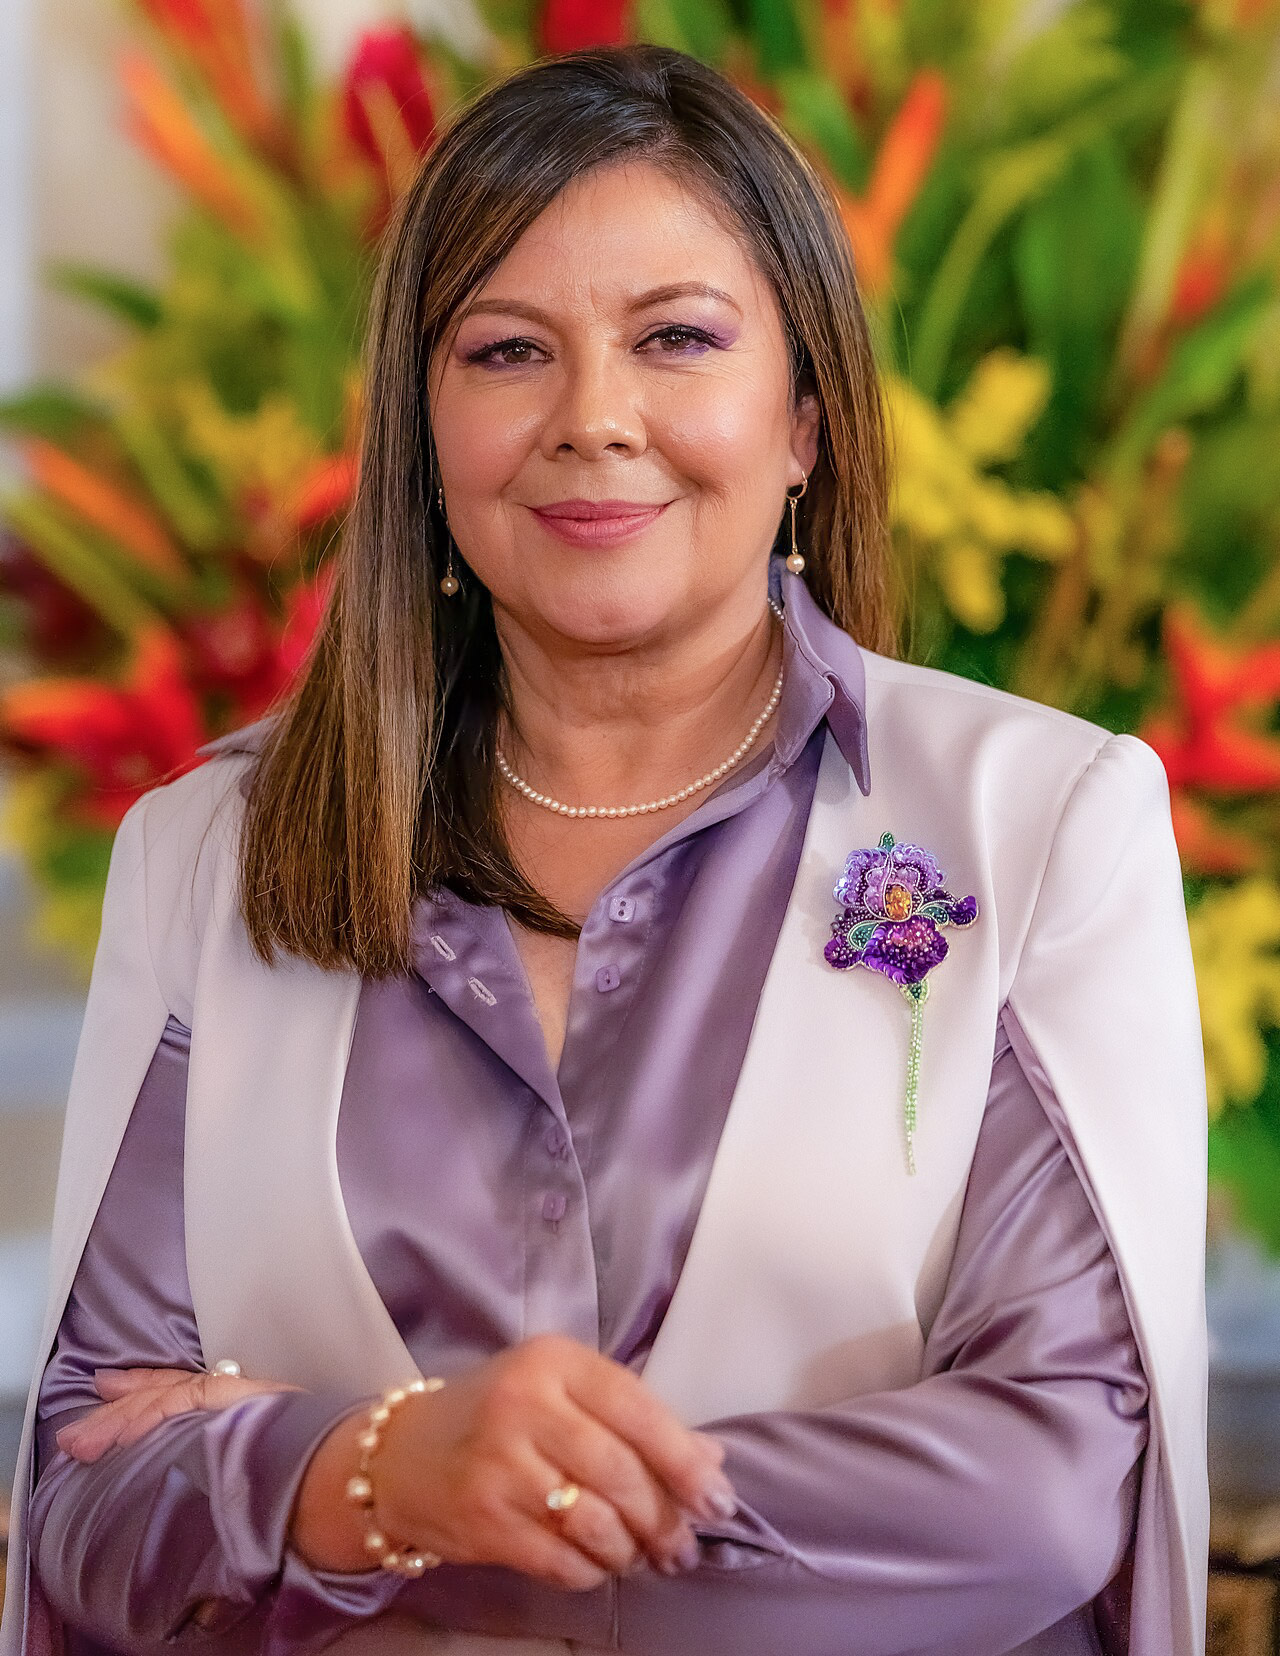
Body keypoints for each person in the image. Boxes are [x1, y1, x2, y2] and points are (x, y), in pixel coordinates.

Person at [0, 43, 1207, 1656]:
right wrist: (394, 1470)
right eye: (507, 351)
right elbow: (86, 1494)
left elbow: (1046, 1486)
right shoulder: (212, 851)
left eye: (676, 339)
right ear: (423, 430)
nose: (593, 420)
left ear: (805, 418)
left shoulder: (1040, 821)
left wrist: (372, 1495)